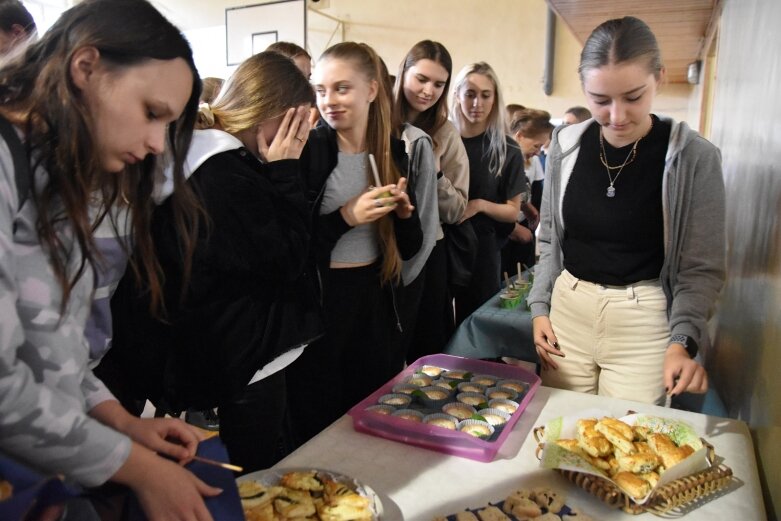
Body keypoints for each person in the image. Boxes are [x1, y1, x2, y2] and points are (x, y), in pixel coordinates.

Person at [0, 0, 221, 519]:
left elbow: (54, 343)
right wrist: (137, 467)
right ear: (85, 68)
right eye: (151, 113)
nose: (155, 144)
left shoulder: (56, 173)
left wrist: (120, 423)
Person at [105, 51, 319, 473]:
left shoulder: (201, 157)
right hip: (235, 354)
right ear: (274, 114)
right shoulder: (225, 174)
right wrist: (286, 172)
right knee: (249, 474)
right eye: (301, 126)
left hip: (202, 341)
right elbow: (286, 258)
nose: (304, 140)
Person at [528, 16, 725, 404]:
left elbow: (700, 267)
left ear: (660, 78)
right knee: (558, 432)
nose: (616, 116)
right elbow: (549, 236)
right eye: (600, 100)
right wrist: (539, 308)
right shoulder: (565, 146)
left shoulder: (694, 158)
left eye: (633, 97)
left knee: (624, 444)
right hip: (569, 311)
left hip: (645, 322)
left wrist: (681, 341)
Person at [286, 41, 422, 447]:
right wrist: (347, 216)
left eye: (341, 88)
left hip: (376, 299)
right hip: (322, 305)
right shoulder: (308, 151)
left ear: (372, 90)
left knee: (372, 414)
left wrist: (402, 215)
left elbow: (411, 247)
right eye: (321, 90)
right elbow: (293, 251)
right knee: (319, 421)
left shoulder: (394, 152)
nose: (329, 101)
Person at [392, 39, 469, 363]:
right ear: (404, 73)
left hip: (427, 252)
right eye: (421, 79)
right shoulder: (378, 121)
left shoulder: (444, 132)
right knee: (384, 348)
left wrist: (435, 175)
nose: (428, 91)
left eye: (439, 84)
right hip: (378, 249)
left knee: (426, 349)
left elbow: (457, 209)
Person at [450, 62, 528, 324]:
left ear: (495, 98)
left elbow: (512, 211)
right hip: (443, 246)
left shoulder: (507, 148)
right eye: (470, 94)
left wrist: (479, 205)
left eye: (485, 95)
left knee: (479, 325)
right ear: (457, 95)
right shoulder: (442, 140)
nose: (477, 103)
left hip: (483, 251)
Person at [502, 108, 552, 273]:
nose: (538, 152)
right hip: (502, 232)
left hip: (523, 228)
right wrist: (512, 229)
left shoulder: (530, 161)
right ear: (520, 136)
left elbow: (532, 196)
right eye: (536, 146)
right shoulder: (500, 160)